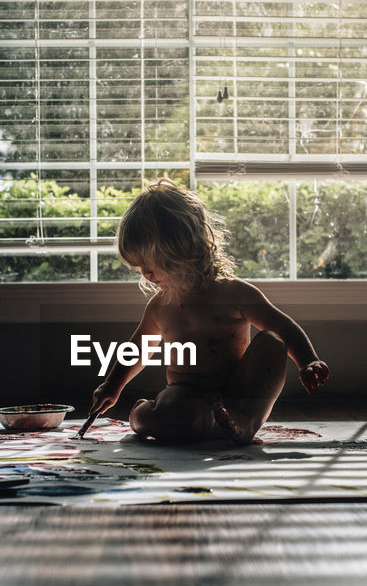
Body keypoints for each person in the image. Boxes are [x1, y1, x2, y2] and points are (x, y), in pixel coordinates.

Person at [88, 179, 330, 444]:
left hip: (237, 395)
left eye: (151, 263)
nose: (145, 273)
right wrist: (111, 386)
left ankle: (245, 422)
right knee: (160, 416)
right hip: (185, 394)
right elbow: (137, 349)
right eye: (139, 267)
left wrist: (308, 360)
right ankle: (142, 411)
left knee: (273, 342)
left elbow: (283, 326)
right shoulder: (160, 306)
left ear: (181, 247)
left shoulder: (234, 293)